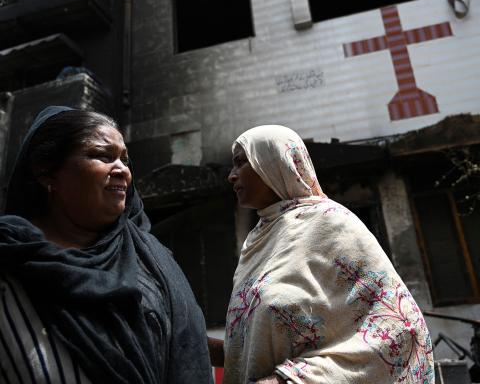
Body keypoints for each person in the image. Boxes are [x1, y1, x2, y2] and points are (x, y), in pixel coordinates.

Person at [0, 106, 213, 384]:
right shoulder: (12, 270)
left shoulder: (152, 262)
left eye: (125, 159)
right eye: (102, 156)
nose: (122, 170)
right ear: (46, 172)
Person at [220, 125, 434, 384]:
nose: (231, 176)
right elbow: (256, 346)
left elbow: (398, 327)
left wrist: (290, 380)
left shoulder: (331, 224)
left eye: (241, 163)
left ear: (273, 162)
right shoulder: (257, 242)